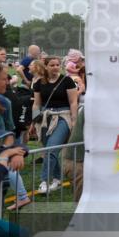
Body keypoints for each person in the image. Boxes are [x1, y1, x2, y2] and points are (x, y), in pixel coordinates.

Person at [32, 56, 79, 195]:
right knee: (48, 149)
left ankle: (44, 181)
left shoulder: (67, 80)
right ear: (45, 66)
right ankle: (57, 179)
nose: (55, 67)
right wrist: (34, 120)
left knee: (51, 149)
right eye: (52, 65)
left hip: (63, 117)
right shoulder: (39, 82)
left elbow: (73, 102)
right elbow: (36, 103)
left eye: (58, 64)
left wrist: (74, 120)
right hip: (45, 117)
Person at [0, 62, 31, 210]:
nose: (7, 81)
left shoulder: (3, 102)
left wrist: (12, 152)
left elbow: (9, 134)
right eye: (3, 78)